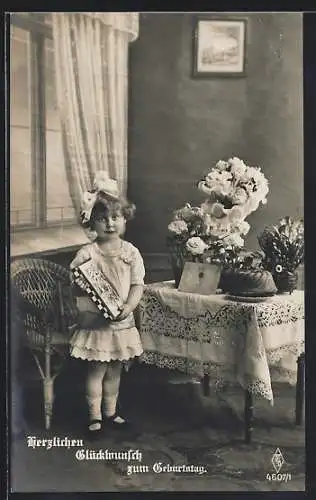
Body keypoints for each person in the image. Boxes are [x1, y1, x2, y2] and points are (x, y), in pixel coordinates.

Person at [69, 172, 145, 437]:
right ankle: (94, 416)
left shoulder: (131, 252)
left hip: (122, 321)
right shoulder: (87, 253)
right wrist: (80, 276)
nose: (110, 224)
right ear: (92, 222)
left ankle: (112, 412)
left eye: (116, 217)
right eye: (102, 219)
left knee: (115, 369)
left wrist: (130, 306)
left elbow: (137, 284)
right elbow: (77, 283)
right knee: (96, 369)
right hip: (96, 323)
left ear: (125, 219)